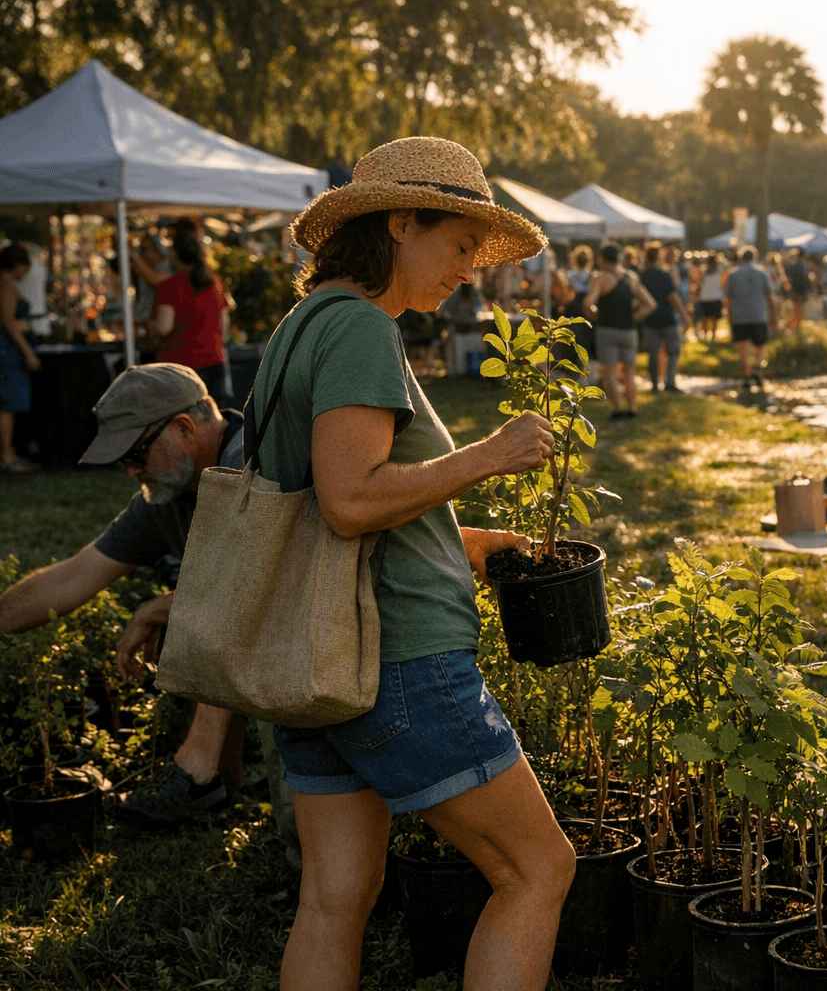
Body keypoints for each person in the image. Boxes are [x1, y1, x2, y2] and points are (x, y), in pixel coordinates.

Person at [272, 135, 573, 990]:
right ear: (400, 223)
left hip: (319, 652)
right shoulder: (364, 329)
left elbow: (328, 501)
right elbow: (350, 498)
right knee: (538, 869)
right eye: (460, 243)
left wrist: (459, 541)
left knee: (336, 898)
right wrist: (489, 452)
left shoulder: (301, 329)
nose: (471, 268)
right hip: (397, 659)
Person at [0, 364, 251, 822]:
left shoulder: (255, 461)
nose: (131, 471)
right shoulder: (166, 494)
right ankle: (221, 783)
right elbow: (73, 576)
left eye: (135, 453)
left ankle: (200, 775)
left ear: (183, 428)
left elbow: (255, 590)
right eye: (123, 461)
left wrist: (157, 609)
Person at [153, 229, 234, 406]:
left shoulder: (169, 286)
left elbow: (163, 327)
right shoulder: (216, 283)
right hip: (215, 361)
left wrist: (148, 325)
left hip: (181, 367)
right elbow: (224, 325)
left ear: (175, 253)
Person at [583, 243, 656, 418]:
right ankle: (632, 408)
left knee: (610, 374)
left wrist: (593, 316)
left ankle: (618, 409)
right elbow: (650, 304)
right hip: (629, 331)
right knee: (629, 373)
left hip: (607, 330)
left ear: (602, 260)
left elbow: (588, 303)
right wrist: (635, 317)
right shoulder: (631, 277)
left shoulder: (601, 278)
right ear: (619, 258)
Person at [1, 242, 41, 472]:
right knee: (7, 404)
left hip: (7, 349)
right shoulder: (5, 285)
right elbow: (8, 321)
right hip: (8, 351)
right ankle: (6, 454)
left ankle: (8, 451)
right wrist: (28, 351)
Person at [721, 247, 777, 390]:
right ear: (755, 257)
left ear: (740, 258)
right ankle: (758, 369)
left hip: (739, 316)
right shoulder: (762, 272)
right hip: (758, 315)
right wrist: (774, 315)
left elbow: (728, 299)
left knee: (743, 350)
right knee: (759, 347)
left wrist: (729, 316)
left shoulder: (733, 275)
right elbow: (770, 296)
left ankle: (746, 377)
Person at [639, 244, 689, 393]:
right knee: (673, 352)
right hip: (667, 319)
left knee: (652, 354)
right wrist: (684, 315)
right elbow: (674, 298)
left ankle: (654, 384)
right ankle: (669, 381)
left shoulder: (641, 277)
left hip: (649, 320)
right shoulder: (664, 275)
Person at [694, 252, 726, 343]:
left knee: (705, 318)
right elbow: (723, 285)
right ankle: (712, 337)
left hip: (705, 298)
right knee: (714, 320)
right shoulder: (720, 271)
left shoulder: (703, 271)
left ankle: (705, 335)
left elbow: (699, 284)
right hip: (716, 297)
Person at [783, 248, 812, 330]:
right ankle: (790, 326)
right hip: (800, 290)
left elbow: (788, 278)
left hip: (795, 290)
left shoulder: (794, 265)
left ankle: (791, 326)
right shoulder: (803, 265)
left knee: (797, 310)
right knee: (798, 310)